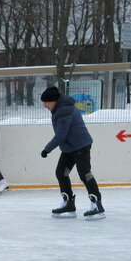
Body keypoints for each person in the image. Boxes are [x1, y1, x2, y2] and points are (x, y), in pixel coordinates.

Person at [40, 85, 104, 219]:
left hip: (81, 147)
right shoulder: (59, 109)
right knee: (61, 173)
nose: (45, 106)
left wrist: (47, 149)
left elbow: (60, 136)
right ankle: (68, 203)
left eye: (46, 103)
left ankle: (97, 205)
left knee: (85, 174)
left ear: (53, 101)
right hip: (69, 148)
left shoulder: (64, 111)